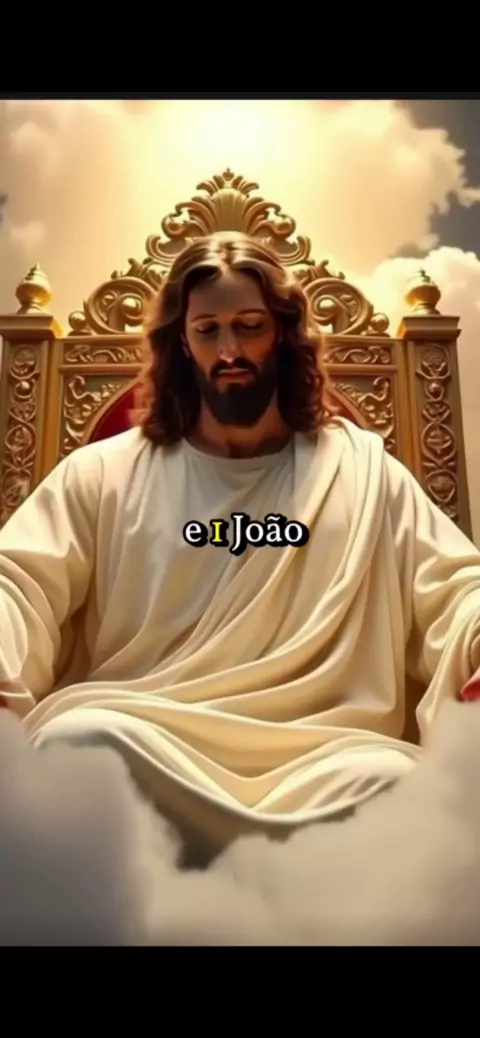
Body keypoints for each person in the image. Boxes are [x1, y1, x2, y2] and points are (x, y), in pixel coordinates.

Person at [1, 231, 480, 861]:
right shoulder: (102, 474)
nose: (229, 350)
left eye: (249, 327)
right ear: (182, 342)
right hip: (145, 729)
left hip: (328, 753)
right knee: (81, 743)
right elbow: (18, 584)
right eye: (208, 331)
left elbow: (453, 591)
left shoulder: (365, 476)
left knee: (391, 784)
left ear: (282, 332)